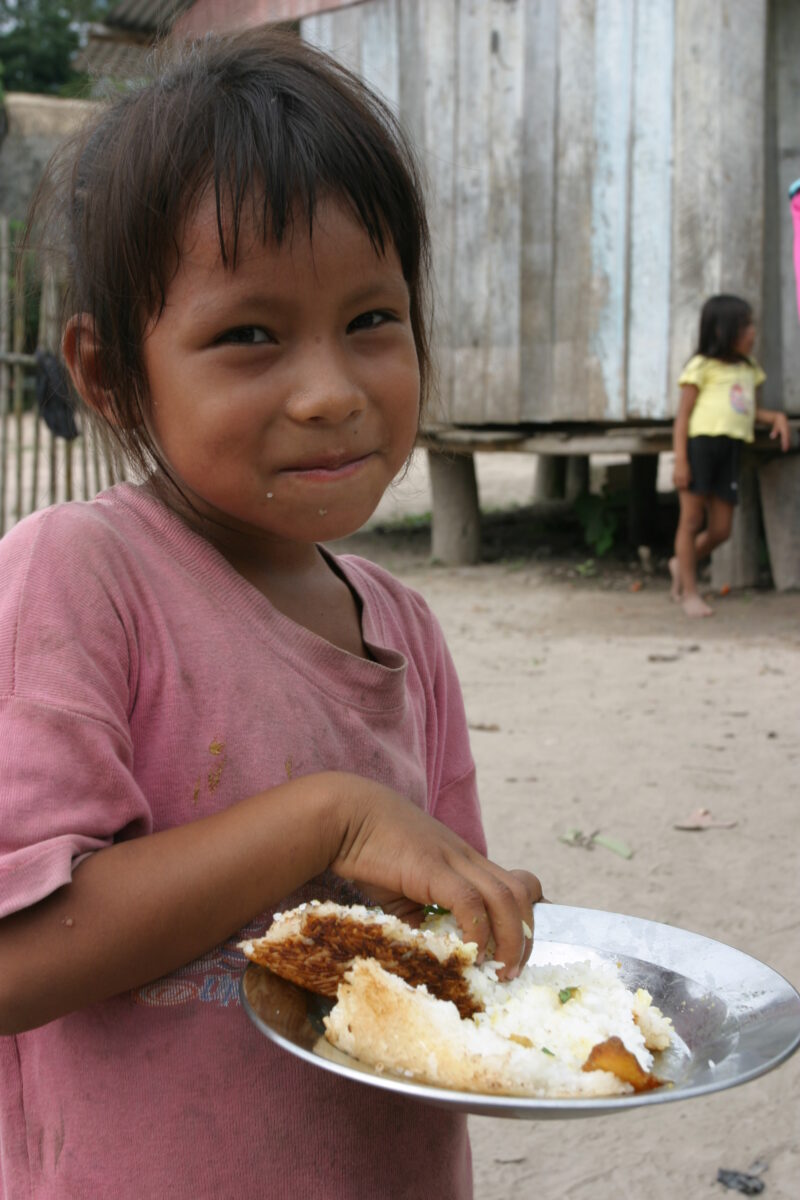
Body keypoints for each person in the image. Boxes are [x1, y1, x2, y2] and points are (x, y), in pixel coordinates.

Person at [0, 30, 542, 1200]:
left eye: (371, 319)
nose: (330, 392)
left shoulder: (403, 633)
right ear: (110, 375)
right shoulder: (80, 580)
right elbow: (15, 960)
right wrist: (325, 822)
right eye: (248, 335)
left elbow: (441, 957)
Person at [669, 294, 790, 617]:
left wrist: (774, 417)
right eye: (746, 326)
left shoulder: (750, 369)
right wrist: (681, 459)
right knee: (692, 520)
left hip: (731, 449)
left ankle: (680, 563)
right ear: (722, 332)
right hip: (700, 447)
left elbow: (745, 409)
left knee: (722, 530)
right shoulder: (700, 367)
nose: (753, 332)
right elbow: (682, 417)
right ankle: (689, 593)